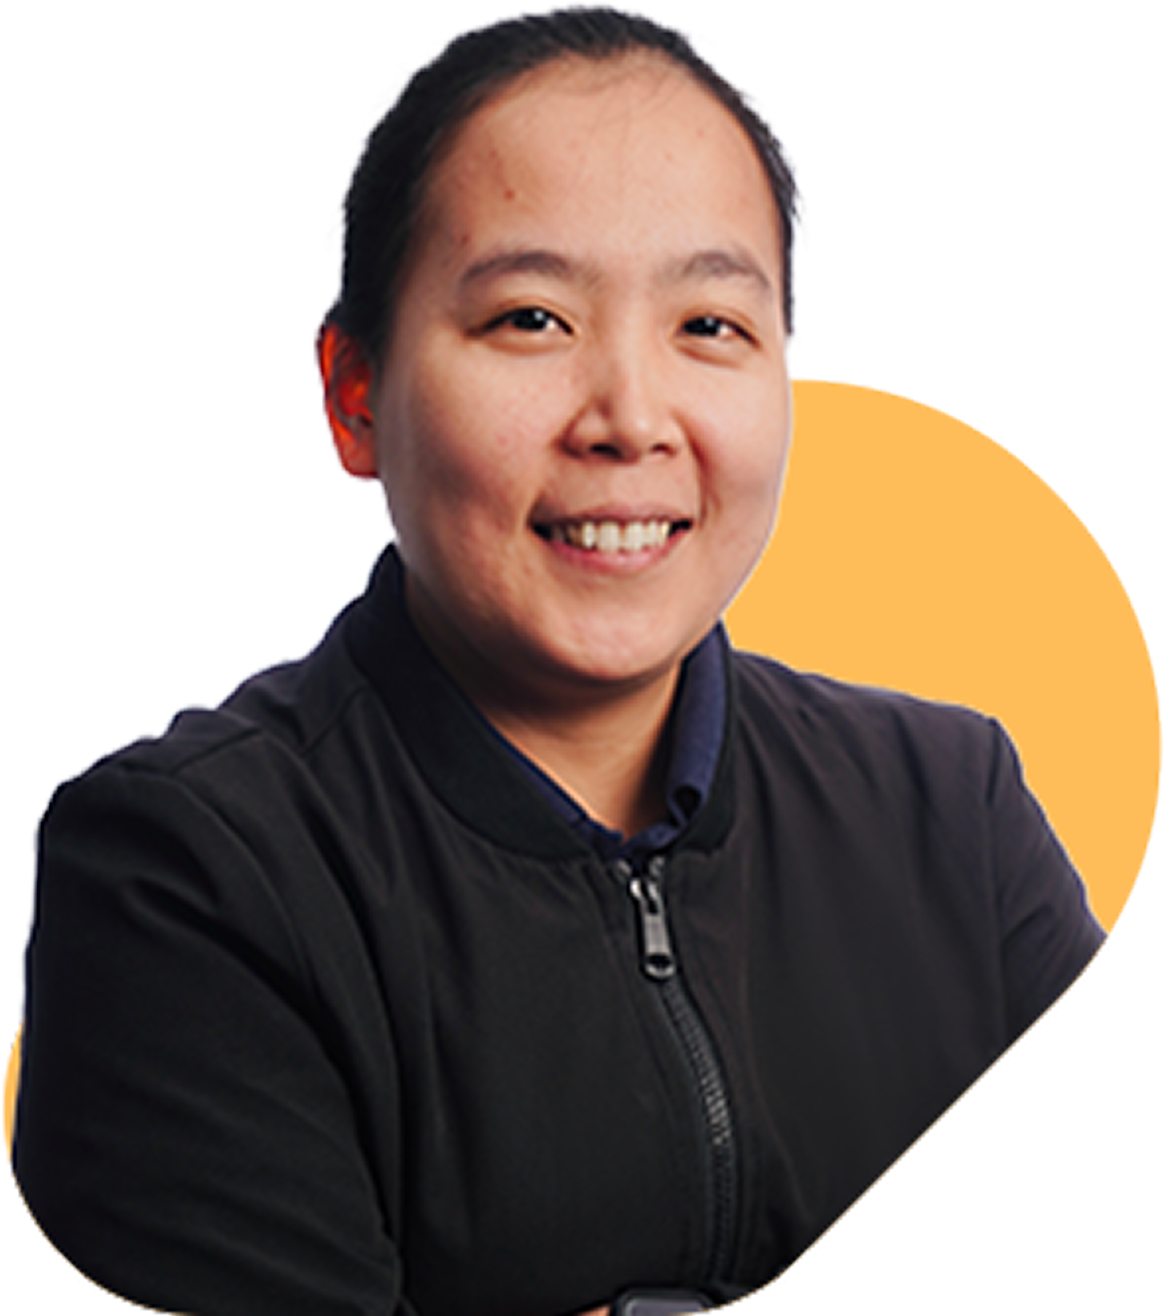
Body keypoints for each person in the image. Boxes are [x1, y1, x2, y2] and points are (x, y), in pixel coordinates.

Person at [14, 6, 1107, 1314]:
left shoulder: (950, 810)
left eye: (710, 325)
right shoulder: (190, 871)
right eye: (531, 318)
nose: (630, 420)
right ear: (354, 396)